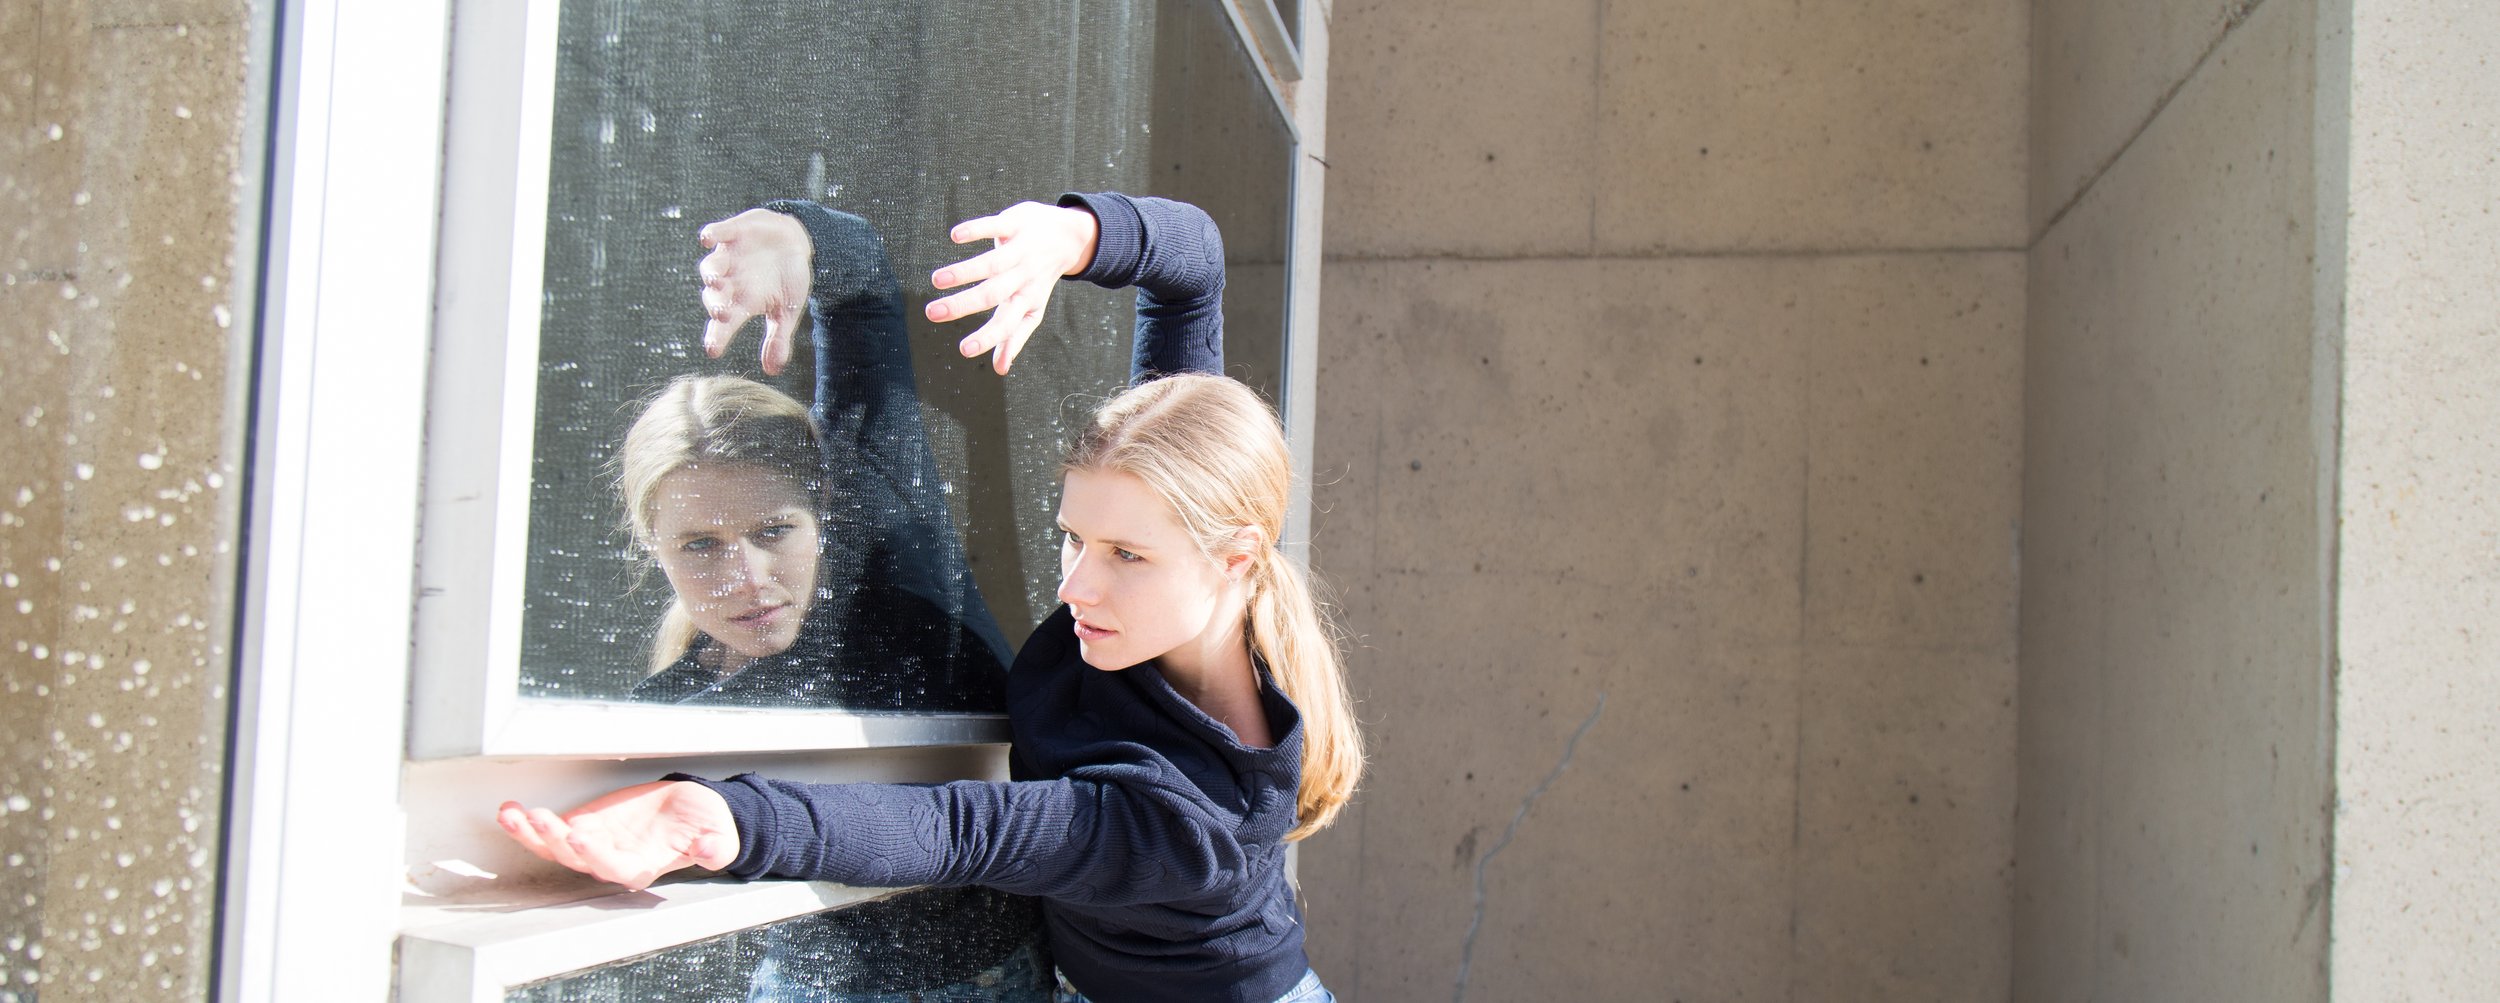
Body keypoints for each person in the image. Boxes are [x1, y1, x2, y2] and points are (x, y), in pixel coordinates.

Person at [499, 191, 1360, 1003]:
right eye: (1073, 536)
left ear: (1235, 558)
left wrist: (720, 815)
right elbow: (1193, 269)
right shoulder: (1171, 562)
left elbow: (964, 829)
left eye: (1125, 555)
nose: (1074, 585)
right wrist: (1077, 235)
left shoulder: (1195, 815)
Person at [616, 204, 1011, 710]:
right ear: (652, 545)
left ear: (825, 504)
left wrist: (798, 236)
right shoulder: (652, 717)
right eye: (700, 545)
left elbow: (864, 300)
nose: (747, 578)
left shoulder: (884, 569)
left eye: (774, 531)